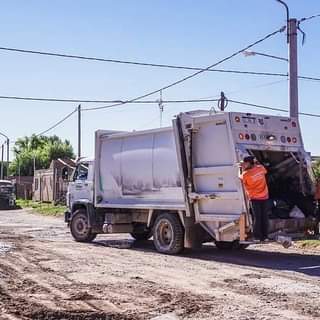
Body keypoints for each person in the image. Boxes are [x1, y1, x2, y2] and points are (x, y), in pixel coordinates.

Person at [239, 156, 270, 242]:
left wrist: (240, 168)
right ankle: (265, 236)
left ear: (248, 163)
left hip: (255, 198)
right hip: (265, 196)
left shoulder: (245, 174)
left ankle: (257, 237)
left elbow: (240, 178)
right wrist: (256, 163)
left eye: (244, 163)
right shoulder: (261, 168)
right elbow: (264, 171)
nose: (243, 164)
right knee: (264, 217)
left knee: (257, 217)